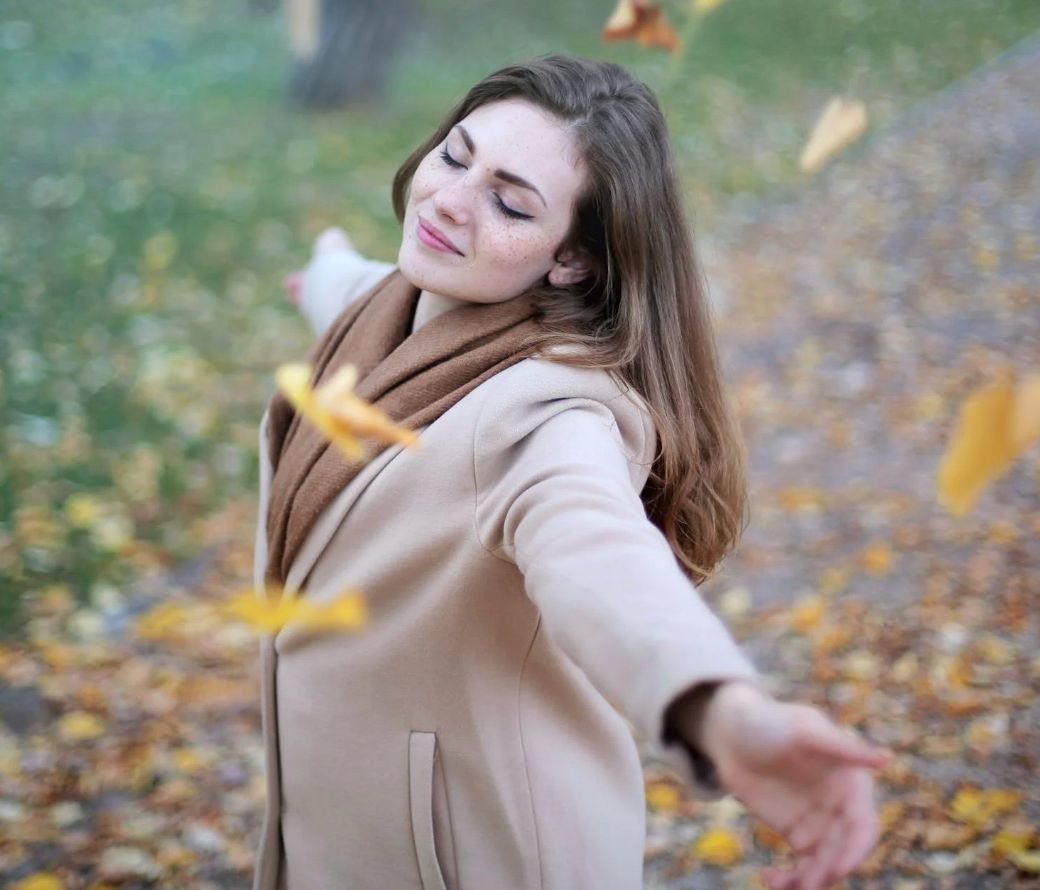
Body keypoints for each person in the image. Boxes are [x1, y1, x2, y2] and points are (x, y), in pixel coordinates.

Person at [254, 53, 890, 890]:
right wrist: (325, 268)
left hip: (484, 858)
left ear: (572, 263)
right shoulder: (387, 308)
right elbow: (353, 290)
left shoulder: (550, 414)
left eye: (510, 203)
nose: (449, 199)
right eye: (456, 155)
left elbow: (598, 553)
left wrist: (720, 710)